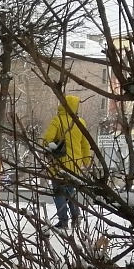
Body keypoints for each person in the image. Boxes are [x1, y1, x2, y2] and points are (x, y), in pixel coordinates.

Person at [41, 94, 93, 230]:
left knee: (59, 193)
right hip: (75, 165)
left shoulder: (57, 120)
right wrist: (86, 160)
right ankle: (76, 218)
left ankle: (63, 221)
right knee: (71, 193)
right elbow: (85, 144)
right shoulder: (80, 122)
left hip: (59, 165)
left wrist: (50, 147)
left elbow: (47, 140)